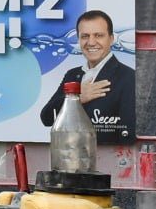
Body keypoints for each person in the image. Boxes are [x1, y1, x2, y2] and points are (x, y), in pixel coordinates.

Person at [38, 10, 135, 144]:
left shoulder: (129, 77)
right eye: (85, 36)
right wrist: (76, 98)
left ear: (111, 39)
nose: (91, 42)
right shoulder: (72, 74)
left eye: (98, 35)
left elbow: (128, 137)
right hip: (71, 159)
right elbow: (47, 118)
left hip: (106, 161)